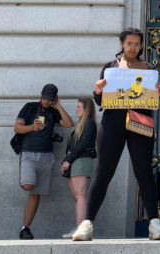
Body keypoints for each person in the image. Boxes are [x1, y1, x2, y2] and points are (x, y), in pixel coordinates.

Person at [72, 27, 160, 241]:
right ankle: (87, 224)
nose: (133, 47)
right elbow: (100, 101)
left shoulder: (148, 68)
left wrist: (156, 94)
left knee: (144, 172)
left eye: (137, 44)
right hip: (113, 123)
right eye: (129, 43)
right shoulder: (110, 68)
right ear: (122, 44)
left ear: (141, 46)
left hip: (140, 123)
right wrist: (97, 91)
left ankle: (154, 224)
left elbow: (149, 102)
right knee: (104, 172)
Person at [13, 84, 73, 239]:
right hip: (29, 153)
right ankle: (25, 179)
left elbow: (68, 123)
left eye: (50, 100)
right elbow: (17, 128)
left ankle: (25, 228)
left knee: (35, 193)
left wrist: (58, 106)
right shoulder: (30, 107)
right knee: (28, 185)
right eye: (45, 98)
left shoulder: (53, 111)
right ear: (41, 94)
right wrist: (32, 127)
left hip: (46, 155)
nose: (47, 102)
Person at [61, 98, 98, 239]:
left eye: (78, 107)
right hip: (76, 159)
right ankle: (79, 227)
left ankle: (81, 228)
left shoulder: (89, 123)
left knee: (80, 195)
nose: (76, 109)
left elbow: (82, 144)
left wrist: (68, 160)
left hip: (81, 159)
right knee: (76, 196)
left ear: (86, 108)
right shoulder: (83, 123)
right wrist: (68, 160)